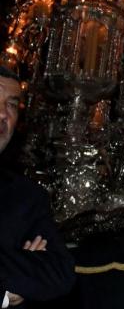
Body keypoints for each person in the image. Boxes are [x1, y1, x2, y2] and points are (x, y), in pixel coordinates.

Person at [0, 65, 76, 307]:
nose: (4, 114)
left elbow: (60, 274)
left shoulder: (26, 195)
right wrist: (15, 278)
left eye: (12, 104)